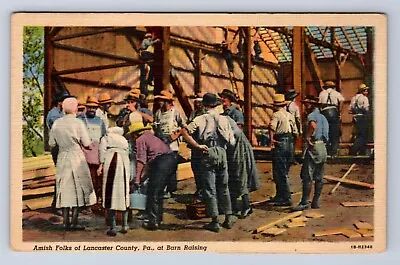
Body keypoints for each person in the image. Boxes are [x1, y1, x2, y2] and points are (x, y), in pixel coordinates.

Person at [180, 93, 236, 233]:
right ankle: (228, 217)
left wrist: (197, 146)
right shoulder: (224, 119)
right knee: (224, 186)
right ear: (216, 105)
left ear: (204, 105)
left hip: (207, 151)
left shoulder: (200, 119)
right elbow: (232, 141)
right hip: (222, 152)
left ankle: (215, 221)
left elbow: (184, 132)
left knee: (209, 189)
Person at [49, 97, 96, 230]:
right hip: (76, 156)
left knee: (64, 187)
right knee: (77, 187)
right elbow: (87, 143)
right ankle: (74, 222)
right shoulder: (78, 123)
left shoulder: (57, 123)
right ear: (75, 108)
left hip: (63, 157)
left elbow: (52, 143)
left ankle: (65, 222)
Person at [128, 122, 176, 230]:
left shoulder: (140, 140)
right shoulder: (151, 137)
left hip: (161, 162)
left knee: (152, 192)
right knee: (158, 191)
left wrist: (136, 180)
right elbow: (149, 164)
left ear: (135, 134)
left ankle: (153, 221)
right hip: (171, 159)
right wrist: (142, 178)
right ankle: (158, 218)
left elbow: (141, 161)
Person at [292, 95, 329, 211]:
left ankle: (304, 202)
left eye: (307, 104)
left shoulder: (312, 115)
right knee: (319, 176)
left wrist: (308, 137)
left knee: (307, 175)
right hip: (322, 147)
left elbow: (312, 125)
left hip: (314, 146)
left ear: (313, 105)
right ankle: (316, 201)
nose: (305, 106)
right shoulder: (323, 117)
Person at [98, 127, 131, 236]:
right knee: (124, 193)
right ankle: (124, 225)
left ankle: (113, 227)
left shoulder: (106, 138)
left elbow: (102, 152)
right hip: (124, 164)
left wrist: (101, 165)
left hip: (111, 162)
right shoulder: (124, 140)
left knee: (110, 194)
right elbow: (128, 153)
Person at [153, 90, 186, 198]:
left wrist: (175, 135)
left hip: (172, 145)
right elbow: (156, 127)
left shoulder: (175, 112)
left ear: (167, 101)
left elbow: (184, 127)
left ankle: (171, 189)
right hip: (161, 144)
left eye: (162, 100)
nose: (159, 102)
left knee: (171, 168)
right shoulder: (158, 113)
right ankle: (163, 189)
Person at [268, 94, 298, 206]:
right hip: (290, 142)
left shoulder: (276, 115)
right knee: (284, 170)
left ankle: (285, 197)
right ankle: (280, 195)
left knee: (279, 171)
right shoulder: (290, 115)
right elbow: (295, 131)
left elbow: (272, 128)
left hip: (280, 141)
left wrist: (271, 140)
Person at [45, 90, 72, 214]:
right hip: (58, 148)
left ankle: (61, 203)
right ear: (60, 102)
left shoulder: (61, 113)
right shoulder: (54, 115)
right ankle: (58, 204)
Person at [78, 96, 107, 202]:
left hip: (95, 155)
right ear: (86, 107)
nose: (91, 110)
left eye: (94, 108)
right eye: (89, 107)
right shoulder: (80, 120)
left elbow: (104, 137)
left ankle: (93, 203)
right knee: (83, 179)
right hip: (83, 154)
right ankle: (83, 203)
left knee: (95, 180)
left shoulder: (100, 121)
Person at [318, 81, 344, 158]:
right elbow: (342, 101)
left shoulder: (322, 93)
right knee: (335, 132)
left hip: (324, 111)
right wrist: (339, 111)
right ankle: (334, 152)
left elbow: (319, 104)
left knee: (325, 131)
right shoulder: (336, 93)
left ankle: (326, 152)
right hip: (333, 111)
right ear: (333, 87)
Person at [188, 97, 206, 199]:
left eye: (199, 103)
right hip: (194, 144)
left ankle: (203, 189)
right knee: (195, 166)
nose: (197, 105)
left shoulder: (204, 114)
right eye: (196, 103)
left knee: (202, 167)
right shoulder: (193, 113)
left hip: (202, 143)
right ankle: (199, 188)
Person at [349, 83, 370, 155]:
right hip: (362, 117)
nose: (367, 92)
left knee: (356, 134)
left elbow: (350, 109)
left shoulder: (353, 98)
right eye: (365, 91)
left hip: (355, 117)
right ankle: (354, 150)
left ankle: (361, 151)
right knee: (362, 135)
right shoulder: (364, 98)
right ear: (362, 91)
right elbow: (366, 108)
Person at [285, 89, 303, 164]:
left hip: (283, 125)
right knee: (292, 143)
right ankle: (291, 158)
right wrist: (300, 129)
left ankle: (286, 158)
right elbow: (297, 118)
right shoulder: (295, 106)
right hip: (292, 126)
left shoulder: (283, 105)